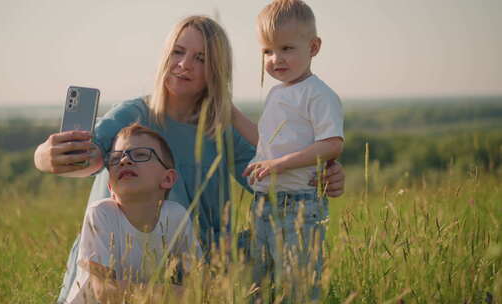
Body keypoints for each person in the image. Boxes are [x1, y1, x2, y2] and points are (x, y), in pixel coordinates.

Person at [33, 15, 345, 303]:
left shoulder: (220, 127)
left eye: (201, 58)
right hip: (121, 266)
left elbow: (269, 174)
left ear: (216, 70)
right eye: (178, 52)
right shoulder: (135, 114)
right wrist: (45, 156)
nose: (185, 64)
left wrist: (317, 173)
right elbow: (92, 156)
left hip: (194, 269)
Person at [231, 0, 344, 297]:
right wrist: (229, 113)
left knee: (300, 286)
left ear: (314, 47)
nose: (275, 59)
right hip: (263, 203)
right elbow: (264, 141)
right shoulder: (277, 93)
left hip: (300, 206)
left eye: (286, 48)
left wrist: (279, 164)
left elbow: (331, 144)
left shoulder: (318, 94)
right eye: (267, 51)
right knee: (259, 285)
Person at [66, 123, 201, 303]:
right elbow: (105, 291)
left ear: (168, 178)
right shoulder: (102, 214)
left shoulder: (175, 216)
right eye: (115, 159)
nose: (125, 161)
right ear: (110, 187)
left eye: (141, 155)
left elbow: (200, 279)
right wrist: (173, 294)